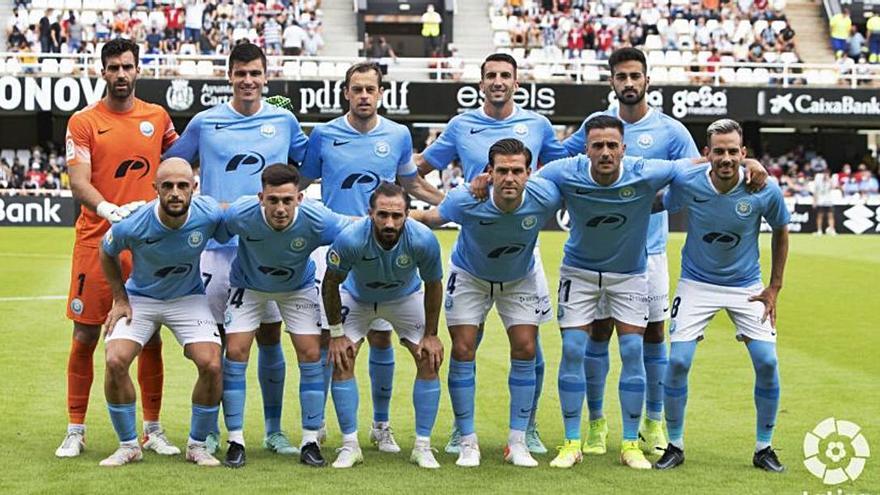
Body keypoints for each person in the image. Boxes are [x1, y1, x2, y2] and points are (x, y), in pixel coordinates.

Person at [535, 115, 767, 470]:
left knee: (632, 349)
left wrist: (748, 162)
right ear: (586, 149)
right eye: (598, 145)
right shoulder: (564, 170)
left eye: (613, 145)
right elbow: (523, 181)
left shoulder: (645, 169)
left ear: (624, 149)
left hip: (629, 274)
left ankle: (631, 443)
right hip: (578, 272)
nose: (606, 152)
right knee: (572, 349)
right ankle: (572, 442)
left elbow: (700, 162)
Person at [414, 52, 569, 455]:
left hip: (522, 256)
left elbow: (562, 172)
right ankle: (461, 430)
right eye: (491, 76)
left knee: (528, 347)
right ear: (480, 83)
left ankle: (528, 427)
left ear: (517, 82)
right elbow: (417, 171)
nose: (498, 81)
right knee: (467, 344)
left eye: (505, 75)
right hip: (473, 251)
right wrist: (457, 198)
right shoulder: (461, 126)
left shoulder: (538, 126)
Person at [164, 42, 309, 456]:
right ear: (229, 77)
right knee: (223, 344)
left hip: (268, 249)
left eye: (255, 73)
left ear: (266, 77)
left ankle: (274, 430)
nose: (248, 80)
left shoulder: (283, 120)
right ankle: (212, 430)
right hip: (217, 249)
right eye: (240, 73)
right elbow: (170, 167)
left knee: (269, 337)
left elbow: (308, 167)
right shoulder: (206, 123)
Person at [297, 61, 444, 454]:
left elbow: (411, 182)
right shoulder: (324, 134)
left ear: (381, 93)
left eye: (370, 89)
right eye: (356, 89)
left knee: (382, 340)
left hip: (386, 241)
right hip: (335, 252)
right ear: (345, 92)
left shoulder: (397, 134)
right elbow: (301, 183)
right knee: (331, 342)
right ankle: (320, 425)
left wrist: (450, 205)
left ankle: (381, 426)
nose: (363, 95)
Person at [562, 47, 701, 458]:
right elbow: (561, 158)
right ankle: (597, 423)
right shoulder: (595, 126)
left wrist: (657, 204)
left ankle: (653, 423)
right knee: (597, 335)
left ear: (647, 80)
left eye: (634, 76)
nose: (628, 83)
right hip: (599, 255)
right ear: (611, 82)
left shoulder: (671, 131)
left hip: (650, 252)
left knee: (653, 335)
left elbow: (693, 173)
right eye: (620, 76)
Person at [58, 38, 179, 459]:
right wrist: (108, 207)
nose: (121, 74)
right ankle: (76, 428)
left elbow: (178, 165)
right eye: (114, 67)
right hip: (97, 240)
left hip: (147, 244)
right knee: (85, 335)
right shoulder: (84, 122)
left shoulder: (157, 117)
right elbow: (78, 180)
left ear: (138, 69)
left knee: (151, 339)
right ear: (103, 71)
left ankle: (153, 428)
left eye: (128, 66)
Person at [653, 119, 789, 473]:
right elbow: (658, 204)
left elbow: (781, 230)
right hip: (696, 284)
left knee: (768, 363)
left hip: (747, 286)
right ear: (706, 153)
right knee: (678, 361)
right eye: (718, 151)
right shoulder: (690, 183)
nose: (725, 158)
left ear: (743, 154)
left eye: (733, 151)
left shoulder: (763, 189)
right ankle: (675, 444)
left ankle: (764, 447)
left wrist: (774, 287)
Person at [218, 164, 352, 468]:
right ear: (260, 197)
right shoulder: (241, 214)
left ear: (300, 198)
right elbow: (212, 224)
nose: (280, 208)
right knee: (236, 350)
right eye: (273, 200)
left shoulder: (318, 218)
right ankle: (235, 440)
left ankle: (309, 441)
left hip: (296, 288)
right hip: (248, 286)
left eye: (287, 200)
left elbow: (356, 228)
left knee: (310, 353)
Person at [99, 158, 224, 467]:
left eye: (183, 185)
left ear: (194, 188)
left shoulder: (208, 213)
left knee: (211, 364)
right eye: (167, 186)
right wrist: (120, 297)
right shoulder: (134, 222)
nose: (175, 192)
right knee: (115, 360)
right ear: (155, 188)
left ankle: (197, 446)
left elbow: (239, 217)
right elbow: (107, 250)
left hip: (188, 297)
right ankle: (129, 445)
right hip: (141, 298)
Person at [323, 182, 444, 469]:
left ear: (407, 213)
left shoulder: (424, 240)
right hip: (358, 297)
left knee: (429, 358)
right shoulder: (351, 239)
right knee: (342, 359)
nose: (390, 222)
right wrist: (337, 334)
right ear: (370, 213)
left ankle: (422, 447)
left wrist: (431, 335)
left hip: (403, 297)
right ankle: (350, 445)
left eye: (397, 216)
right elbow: (330, 283)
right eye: (382, 215)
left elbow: (434, 285)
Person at [812, 168, 836, 235]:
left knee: (830, 215)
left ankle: (832, 230)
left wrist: (829, 180)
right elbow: (815, 191)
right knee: (820, 216)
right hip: (820, 201)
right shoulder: (818, 181)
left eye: (827, 173)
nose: (825, 175)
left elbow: (834, 187)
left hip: (829, 201)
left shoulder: (830, 180)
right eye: (824, 173)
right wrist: (814, 201)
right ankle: (819, 230)